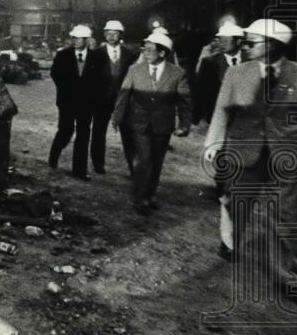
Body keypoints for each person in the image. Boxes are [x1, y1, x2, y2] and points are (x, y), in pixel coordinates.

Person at [203, 19, 297, 299]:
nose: (245, 46)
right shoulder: (236, 74)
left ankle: (288, 276)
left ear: (272, 45)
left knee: (287, 215)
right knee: (236, 203)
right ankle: (229, 241)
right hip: (244, 151)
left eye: (252, 42)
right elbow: (222, 110)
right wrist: (214, 143)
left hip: (287, 155)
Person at [113, 31, 191, 214]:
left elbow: (184, 100)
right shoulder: (135, 70)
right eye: (144, 49)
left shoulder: (177, 73)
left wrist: (184, 124)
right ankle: (141, 198)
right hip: (138, 122)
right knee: (144, 159)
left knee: (157, 161)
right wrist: (117, 116)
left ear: (162, 53)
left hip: (162, 124)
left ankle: (151, 193)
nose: (145, 53)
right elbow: (124, 94)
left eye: (149, 50)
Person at [48, 24, 101, 180]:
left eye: (81, 39)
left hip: (86, 104)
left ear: (87, 40)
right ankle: (53, 156)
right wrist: (67, 89)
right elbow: (54, 74)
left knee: (83, 135)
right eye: (75, 38)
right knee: (65, 131)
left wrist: (92, 98)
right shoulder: (63, 55)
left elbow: (99, 81)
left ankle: (79, 171)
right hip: (67, 102)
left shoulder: (96, 57)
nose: (77, 41)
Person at [90, 19, 139, 175]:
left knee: (128, 133)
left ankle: (134, 167)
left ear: (120, 35)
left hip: (123, 100)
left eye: (115, 34)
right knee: (99, 132)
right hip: (101, 99)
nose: (111, 37)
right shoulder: (96, 54)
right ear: (104, 35)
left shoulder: (129, 54)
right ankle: (98, 164)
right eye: (108, 34)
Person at [194, 21, 244, 126]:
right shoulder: (209, 62)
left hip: (246, 118)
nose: (222, 44)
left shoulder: (251, 61)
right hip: (218, 117)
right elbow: (201, 91)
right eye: (221, 40)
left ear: (239, 41)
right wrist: (196, 116)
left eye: (226, 40)